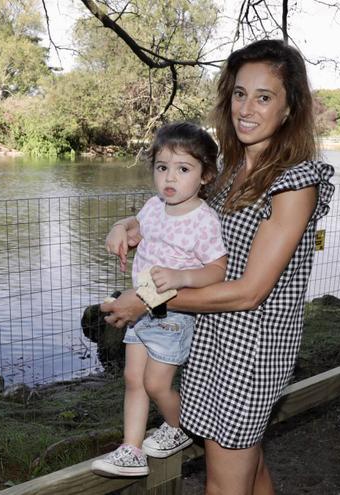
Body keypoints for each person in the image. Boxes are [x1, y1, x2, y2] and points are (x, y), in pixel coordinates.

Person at [100, 39, 335, 494]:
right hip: (211, 337)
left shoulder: (293, 183)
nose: (246, 108)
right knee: (249, 467)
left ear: (289, 109)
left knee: (224, 481)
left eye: (264, 97)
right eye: (239, 94)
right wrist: (129, 223)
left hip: (251, 351)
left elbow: (250, 291)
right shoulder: (229, 171)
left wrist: (144, 301)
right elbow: (181, 218)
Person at [91, 122, 229, 477]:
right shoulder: (155, 206)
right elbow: (137, 225)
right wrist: (120, 228)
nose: (170, 178)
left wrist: (184, 276)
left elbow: (217, 269)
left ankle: (178, 426)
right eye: (162, 167)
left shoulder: (204, 221)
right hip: (142, 310)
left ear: (205, 175)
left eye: (183, 169)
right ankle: (131, 449)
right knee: (133, 378)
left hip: (172, 312)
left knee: (155, 383)